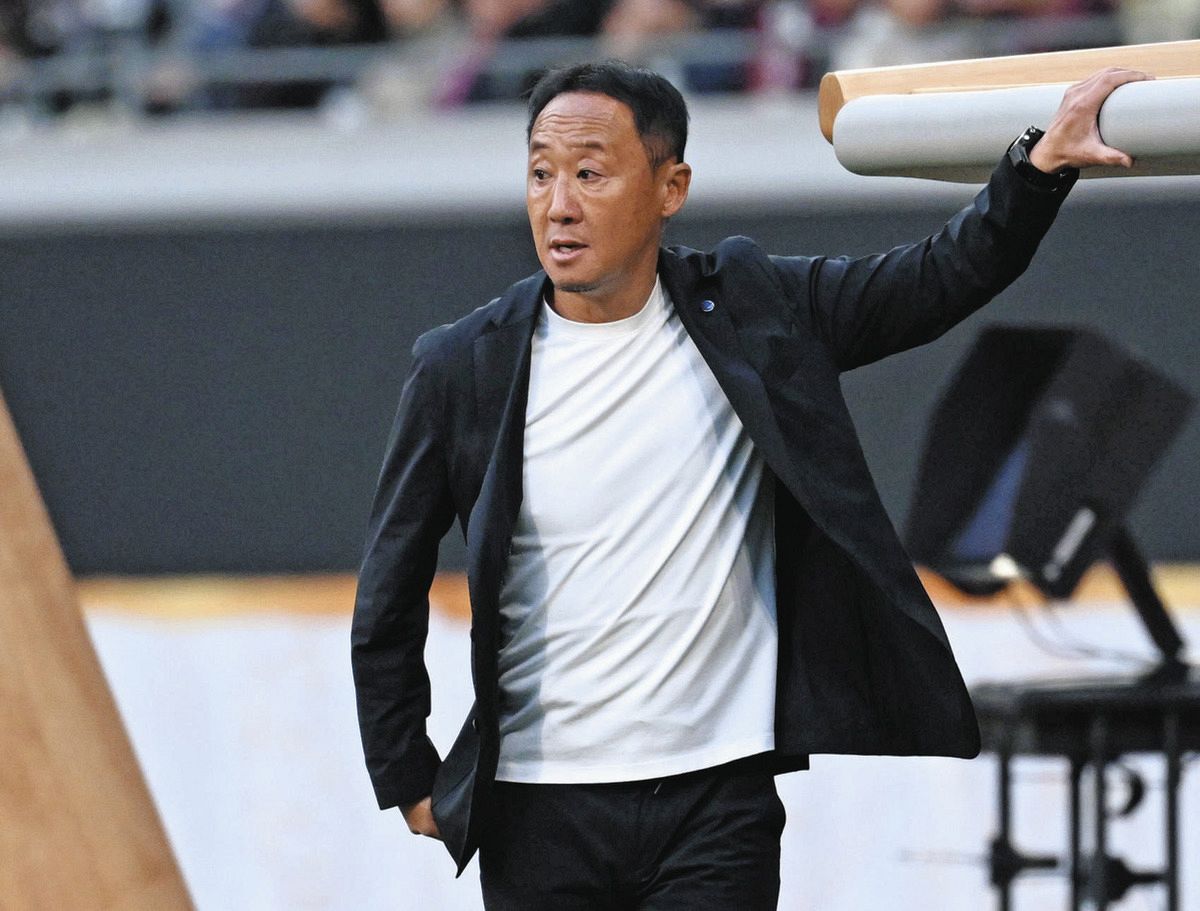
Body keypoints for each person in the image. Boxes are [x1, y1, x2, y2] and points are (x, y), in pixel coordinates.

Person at [351, 59, 1149, 909]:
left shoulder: (751, 308)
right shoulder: (462, 365)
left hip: (716, 798)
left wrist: (1038, 165)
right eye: (541, 174)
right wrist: (406, 772)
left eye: (590, 173)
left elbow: (935, 278)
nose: (559, 205)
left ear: (671, 187)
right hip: (536, 808)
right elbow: (390, 585)